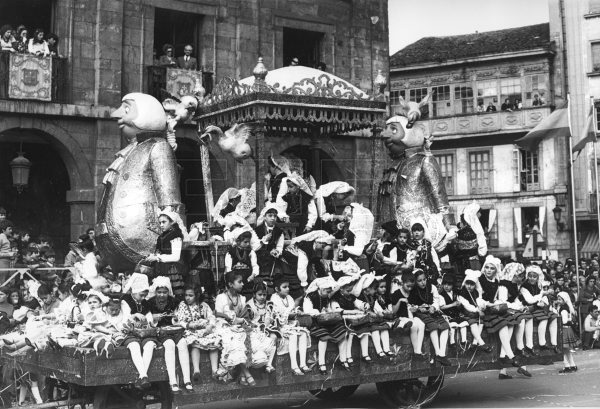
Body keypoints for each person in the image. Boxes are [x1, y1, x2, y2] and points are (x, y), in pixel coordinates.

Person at [148, 276, 192, 392]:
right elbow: (147, 320)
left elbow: (178, 318)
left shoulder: (174, 301)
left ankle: (187, 379)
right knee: (170, 345)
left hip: (174, 329)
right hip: (160, 331)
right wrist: (153, 318)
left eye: (164, 292)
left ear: (169, 291)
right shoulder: (150, 303)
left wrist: (175, 318)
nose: (162, 295)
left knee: (183, 343)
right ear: (155, 291)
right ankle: (173, 381)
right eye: (159, 292)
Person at [214, 271, 255, 386]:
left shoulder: (242, 298)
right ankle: (246, 373)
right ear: (231, 284)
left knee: (249, 339)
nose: (242, 284)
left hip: (238, 326)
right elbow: (217, 314)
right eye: (239, 282)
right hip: (224, 326)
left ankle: (243, 375)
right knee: (234, 342)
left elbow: (244, 316)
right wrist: (230, 318)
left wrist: (241, 320)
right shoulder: (221, 297)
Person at [175, 285, 221, 382]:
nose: (187, 297)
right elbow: (180, 320)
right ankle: (196, 370)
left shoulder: (203, 305)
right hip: (191, 330)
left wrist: (210, 326)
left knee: (214, 343)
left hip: (204, 330)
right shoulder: (183, 305)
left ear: (197, 295)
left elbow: (211, 317)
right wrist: (188, 325)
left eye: (190, 295)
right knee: (195, 344)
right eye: (186, 295)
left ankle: (214, 370)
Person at [303, 276, 347, 374]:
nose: (328, 294)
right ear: (321, 289)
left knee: (343, 331)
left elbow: (327, 308)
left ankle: (343, 359)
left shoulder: (325, 297)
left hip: (326, 321)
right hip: (315, 322)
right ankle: (321, 363)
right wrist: (317, 312)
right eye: (327, 291)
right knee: (324, 336)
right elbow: (308, 311)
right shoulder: (310, 297)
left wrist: (328, 311)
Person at [407, 269, 451, 366]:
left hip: (432, 311)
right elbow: (410, 305)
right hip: (421, 313)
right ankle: (438, 352)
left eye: (424, 279)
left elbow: (436, 299)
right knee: (433, 327)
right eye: (419, 281)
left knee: (445, 326)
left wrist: (433, 307)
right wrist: (418, 308)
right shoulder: (413, 291)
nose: (423, 282)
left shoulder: (431, 287)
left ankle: (442, 355)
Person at [270, 276, 311, 374]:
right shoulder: (274, 298)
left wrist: (297, 312)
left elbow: (292, 309)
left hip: (290, 324)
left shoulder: (289, 298)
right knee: (293, 335)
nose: (288, 289)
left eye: (288, 286)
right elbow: (277, 315)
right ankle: (294, 366)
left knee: (303, 333)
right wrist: (289, 315)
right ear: (277, 289)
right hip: (280, 326)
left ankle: (303, 364)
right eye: (284, 287)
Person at [145, 210, 187, 299]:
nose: (161, 225)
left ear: (172, 222)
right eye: (160, 222)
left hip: (171, 270)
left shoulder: (175, 235)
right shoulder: (163, 236)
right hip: (161, 269)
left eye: (164, 222)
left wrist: (157, 257)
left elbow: (176, 257)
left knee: (172, 296)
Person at [520, 265, 560, 353]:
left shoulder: (539, 285)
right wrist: (542, 295)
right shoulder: (524, 286)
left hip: (538, 307)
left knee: (553, 317)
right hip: (529, 307)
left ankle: (554, 343)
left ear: (538, 277)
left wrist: (545, 303)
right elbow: (530, 300)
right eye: (530, 276)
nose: (532, 278)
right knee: (542, 318)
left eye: (534, 277)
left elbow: (543, 297)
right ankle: (533, 345)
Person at [243, 281, 277, 373]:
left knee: (274, 337)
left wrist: (267, 323)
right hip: (254, 330)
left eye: (264, 295)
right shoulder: (249, 306)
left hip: (266, 328)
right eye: (260, 294)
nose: (262, 297)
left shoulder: (269, 304)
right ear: (254, 295)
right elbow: (247, 321)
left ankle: (269, 364)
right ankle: (259, 360)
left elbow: (270, 318)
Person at [457, 270, 491, 351]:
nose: (469, 286)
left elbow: (479, 300)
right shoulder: (461, 293)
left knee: (481, 320)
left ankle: (475, 342)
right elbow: (467, 306)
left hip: (475, 312)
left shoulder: (475, 292)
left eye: (472, 284)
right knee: (473, 322)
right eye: (467, 283)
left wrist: (481, 306)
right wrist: (478, 310)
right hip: (465, 313)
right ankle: (481, 342)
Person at [254, 205, 284, 289]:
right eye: (270, 215)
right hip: (260, 257)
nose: (273, 218)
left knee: (276, 274)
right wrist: (263, 241)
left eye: (275, 216)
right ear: (264, 217)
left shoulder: (279, 231)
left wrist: (277, 251)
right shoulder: (257, 230)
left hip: (272, 257)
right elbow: (255, 247)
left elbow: (279, 246)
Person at [225, 230, 259, 299]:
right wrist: (232, 280)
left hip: (248, 279)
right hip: (235, 281)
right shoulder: (230, 253)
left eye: (249, 242)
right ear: (238, 242)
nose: (248, 244)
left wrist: (253, 275)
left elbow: (255, 265)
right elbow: (228, 268)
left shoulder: (251, 252)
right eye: (245, 242)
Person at [438, 274, 470, 347]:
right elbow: (441, 307)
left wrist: (458, 305)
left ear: (452, 285)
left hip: (455, 314)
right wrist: (453, 304)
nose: (446, 286)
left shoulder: (455, 293)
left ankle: (464, 340)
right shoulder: (441, 295)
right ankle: (452, 342)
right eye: (444, 284)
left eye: (449, 285)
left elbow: (458, 303)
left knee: (463, 324)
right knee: (453, 326)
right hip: (447, 315)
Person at [556, 291, 578, 373]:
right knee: (567, 350)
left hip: (564, 330)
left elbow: (564, 320)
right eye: (558, 299)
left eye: (560, 299)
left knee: (563, 350)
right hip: (568, 329)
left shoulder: (563, 309)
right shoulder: (567, 307)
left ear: (564, 300)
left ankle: (566, 366)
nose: (558, 301)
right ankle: (572, 365)